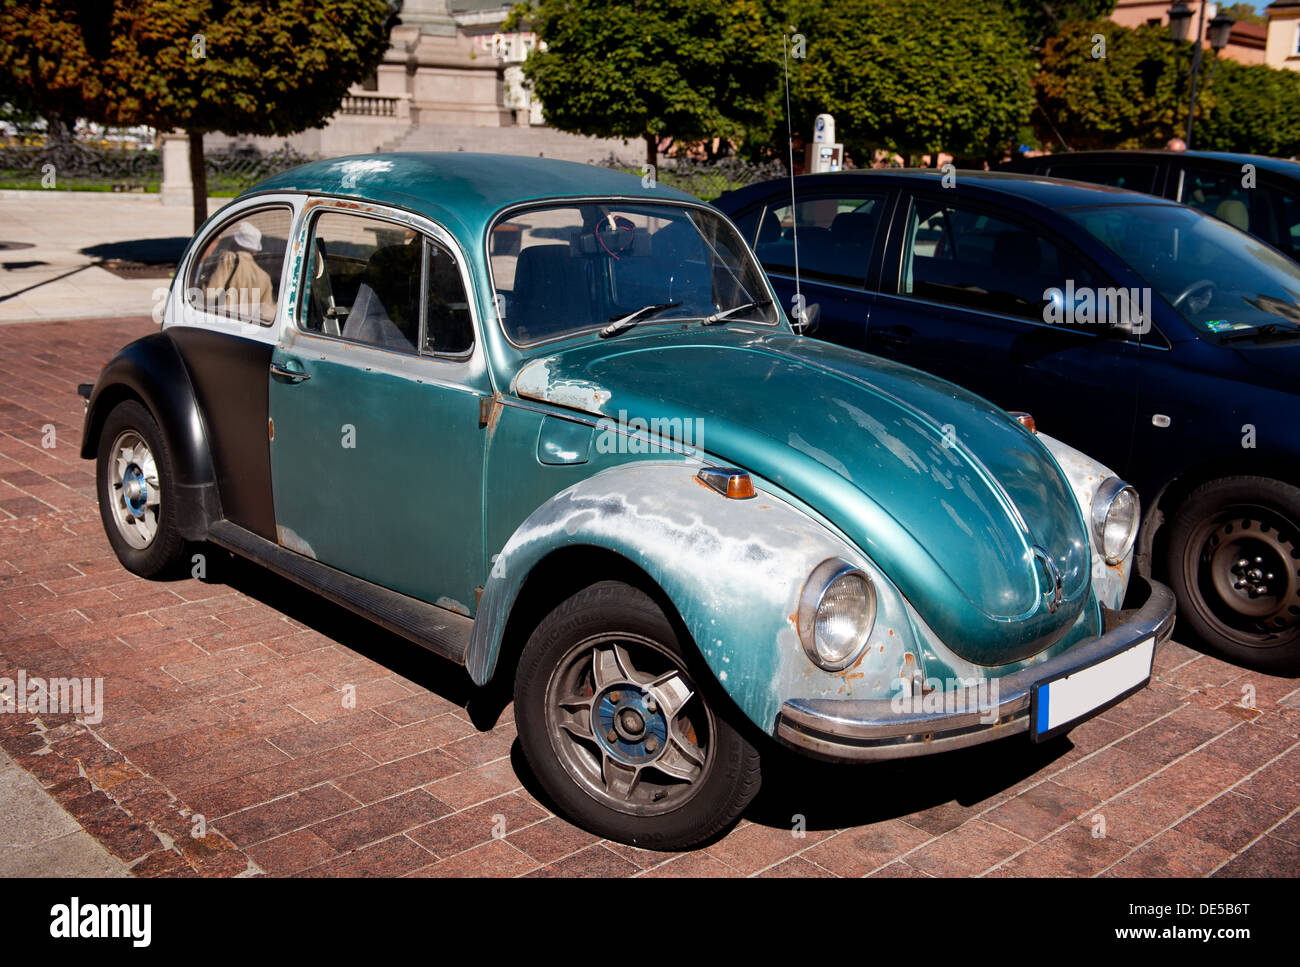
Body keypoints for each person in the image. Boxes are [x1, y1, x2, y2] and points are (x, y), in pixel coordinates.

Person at [207, 221, 276, 321]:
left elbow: (211, 295)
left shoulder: (229, 260)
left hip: (223, 324)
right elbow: (267, 314)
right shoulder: (265, 277)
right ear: (254, 251)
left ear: (235, 242)